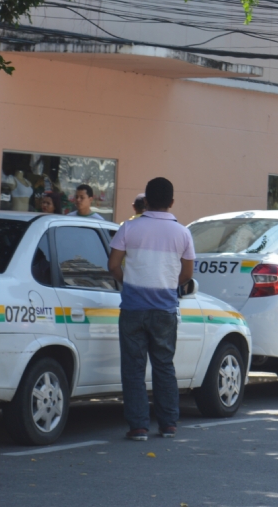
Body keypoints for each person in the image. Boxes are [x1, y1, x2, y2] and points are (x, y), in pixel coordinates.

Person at [108, 177, 195, 441]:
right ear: (172, 202)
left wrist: (129, 282)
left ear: (145, 201)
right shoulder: (182, 233)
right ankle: (168, 424)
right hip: (165, 310)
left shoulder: (128, 228)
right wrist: (167, 284)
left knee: (133, 368)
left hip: (133, 308)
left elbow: (113, 265)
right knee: (164, 365)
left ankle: (138, 427)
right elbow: (187, 273)